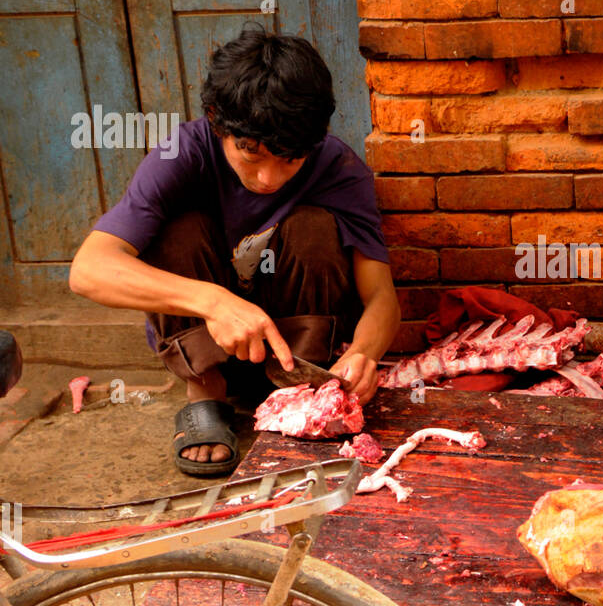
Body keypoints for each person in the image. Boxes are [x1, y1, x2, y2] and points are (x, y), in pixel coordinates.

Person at [69, 27, 400, 477]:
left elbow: (381, 295)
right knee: (176, 229)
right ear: (215, 121)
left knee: (314, 227)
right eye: (250, 154)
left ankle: (302, 390)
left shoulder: (337, 167)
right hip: (206, 344)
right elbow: (88, 270)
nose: (268, 178)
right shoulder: (180, 155)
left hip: (300, 351)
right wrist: (213, 302)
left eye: (289, 159)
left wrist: (365, 352)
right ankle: (205, 389)